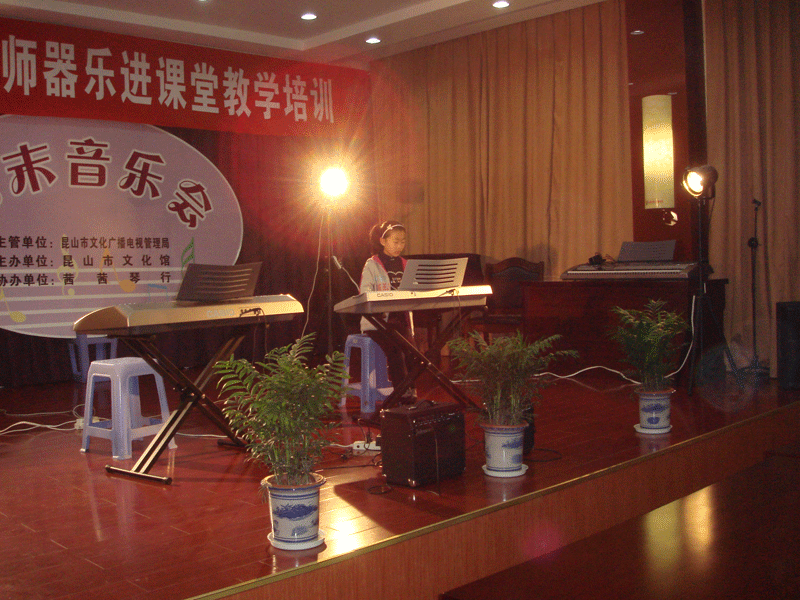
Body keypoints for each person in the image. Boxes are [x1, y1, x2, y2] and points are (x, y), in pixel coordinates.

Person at [359, 220, 416, 401]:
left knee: (412, 352)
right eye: (395, 241)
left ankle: (411, 389)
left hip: (400, 321)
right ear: (383, 241)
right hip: (377, 323)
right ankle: (402, 393)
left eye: (403, 241)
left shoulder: (406, 264)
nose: (400, 246)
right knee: (396, 349)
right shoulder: (372, 264)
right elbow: (364, 293)